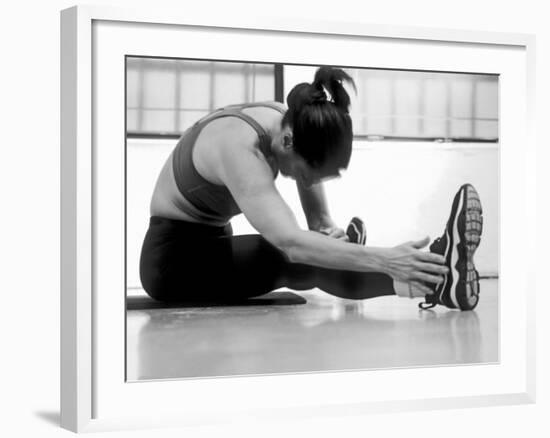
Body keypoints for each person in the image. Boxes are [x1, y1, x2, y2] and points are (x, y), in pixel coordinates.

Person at [139, 66, 483, 311]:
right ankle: (437, 282)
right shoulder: (237, 146)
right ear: (288, 142)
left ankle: (428, 272)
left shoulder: (289, 122)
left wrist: (328, 234)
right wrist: (384, 258)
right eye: (308, 174)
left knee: (314, 248)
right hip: (173, 262)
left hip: (212, 242)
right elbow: (291, 244)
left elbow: (317, 220)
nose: (308, 182)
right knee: (289, 258)